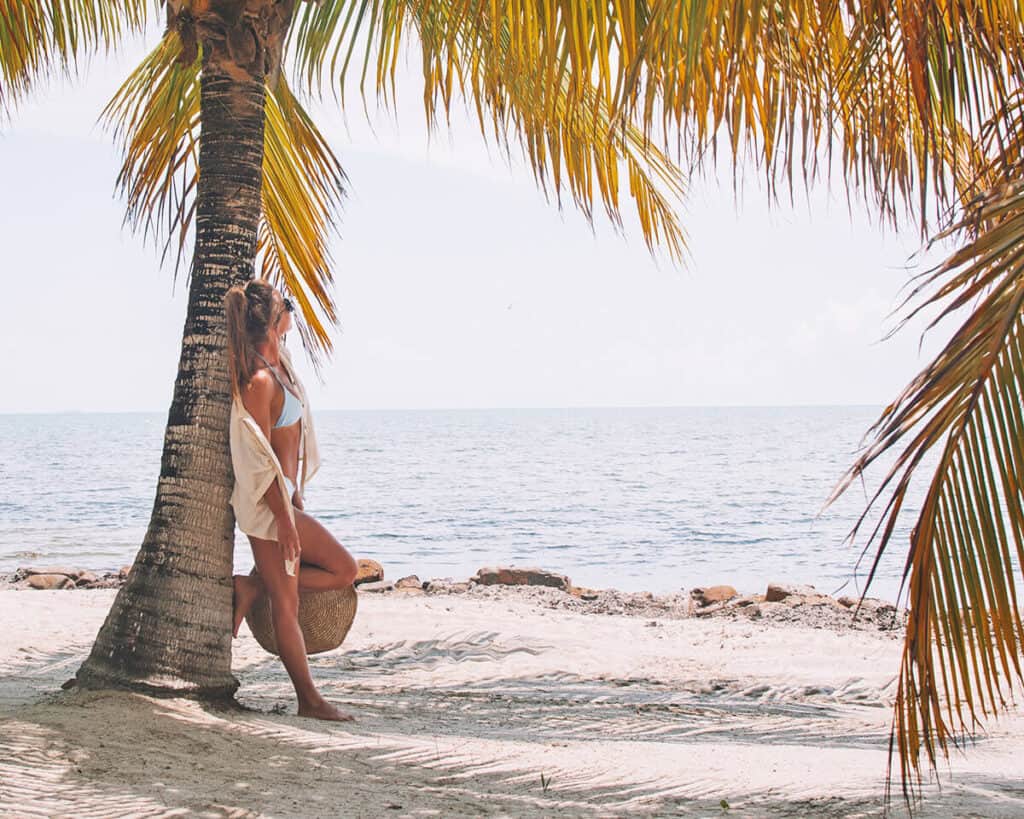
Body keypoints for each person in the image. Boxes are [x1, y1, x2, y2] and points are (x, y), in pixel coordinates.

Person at [224, 278, 358, 722]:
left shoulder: (280, 366)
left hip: (286, 500)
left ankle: (253, 584)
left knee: (311, 582)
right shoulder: (260, 381)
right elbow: (254, 454)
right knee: (327, 580)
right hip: (268, 507)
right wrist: (283, 515)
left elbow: (290, 442)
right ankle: (309, 701)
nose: (291, 314)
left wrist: (297, 490)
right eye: (285, 308)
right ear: (272, 321)